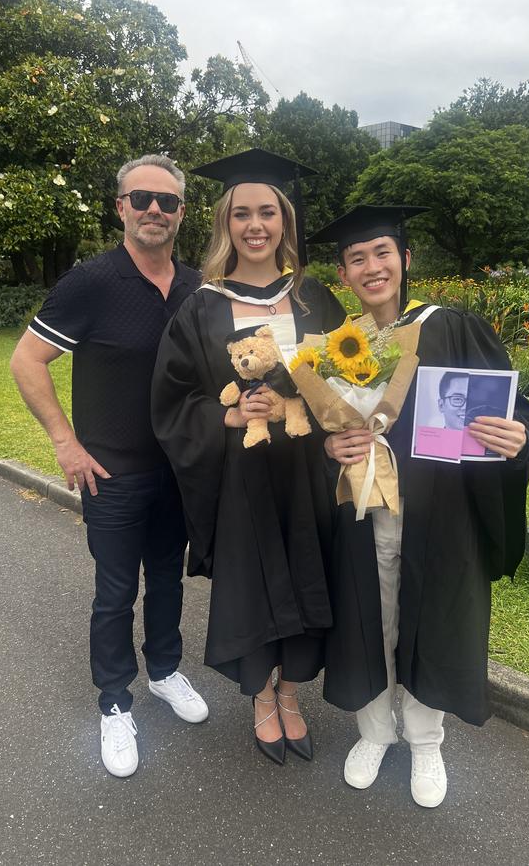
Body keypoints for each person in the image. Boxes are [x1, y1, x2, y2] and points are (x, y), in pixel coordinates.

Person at [307, 205, 529, 807]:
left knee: (432, 622)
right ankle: (375, 732)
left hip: (441, 517)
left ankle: (426, 741)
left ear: (405, 260)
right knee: (371, 624)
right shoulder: (337, 349)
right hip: (365, 515)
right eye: (357, 258)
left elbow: (518, 410)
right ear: (344, 273)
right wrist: (330, 443)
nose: (371, 266)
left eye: (382, 252)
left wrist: (519, 437)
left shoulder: (452, 327)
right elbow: (316, 434)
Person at [10, 154, 208, 779]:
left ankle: (167, 670)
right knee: (116, 592)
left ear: (181, 213)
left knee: (168, 581)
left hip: (178, 470)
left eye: (168, 201)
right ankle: (115, 700)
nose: (155, 209)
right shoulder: (90, 282)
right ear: (120, 206)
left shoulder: (196, 288)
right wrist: (65, 443)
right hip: (112, 473)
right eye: (142, 198)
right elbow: (26, 361)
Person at [151, 149, 346, 765]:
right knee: (253, 584)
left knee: (312, 574)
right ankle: (263, 695)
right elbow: (171, 398)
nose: (255, 225)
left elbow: (348, 380)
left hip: (310, 472)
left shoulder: (314, 298)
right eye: (242, 214)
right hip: (240, 474)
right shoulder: (202, 306)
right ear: (225, 223)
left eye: (267, 212)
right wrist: (230, 415)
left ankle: (293, 693)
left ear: (285, 220)